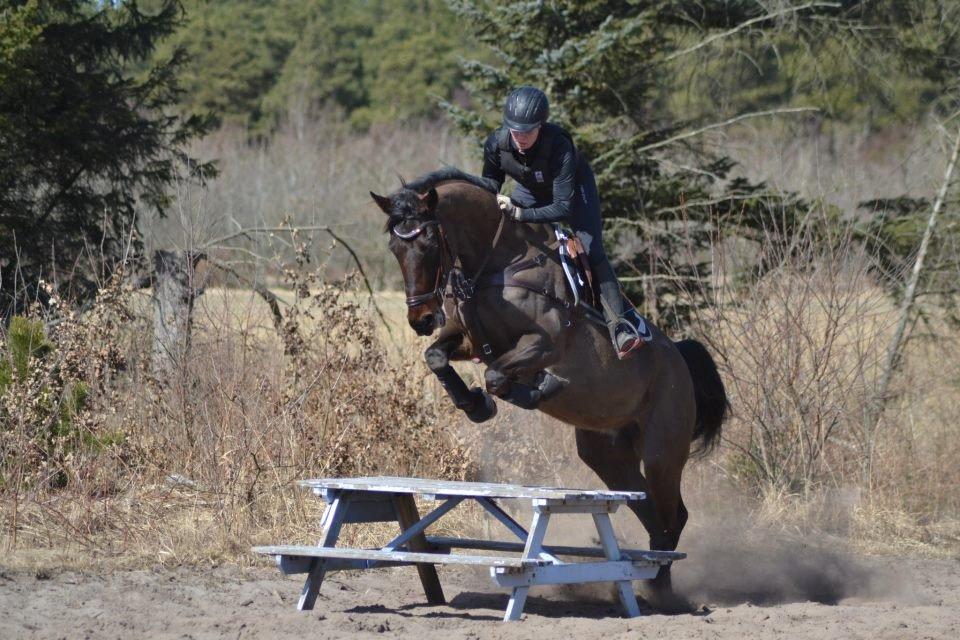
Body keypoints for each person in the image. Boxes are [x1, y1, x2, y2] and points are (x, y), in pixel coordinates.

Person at [481, 85, 651, 360]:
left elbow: (561, 207)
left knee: (591, 248)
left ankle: (620, 326)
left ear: (541, 126)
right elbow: (490, 184)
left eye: (528, 130)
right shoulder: (496, 144)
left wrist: (522, 215)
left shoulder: (559, 146)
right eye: (515, 130)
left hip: (572, 192)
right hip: (530, 190)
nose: (521, 137)